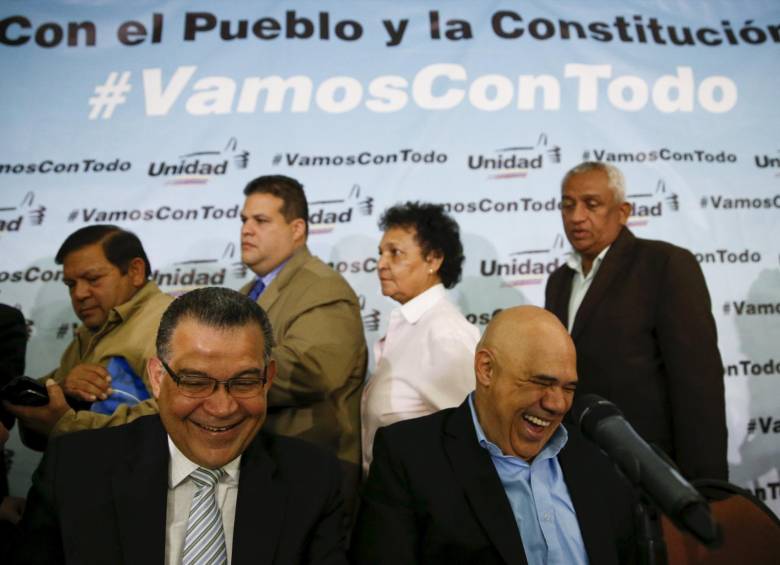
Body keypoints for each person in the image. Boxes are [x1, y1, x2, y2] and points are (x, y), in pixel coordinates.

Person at [15, 287, 347, 565]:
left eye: (245, 382)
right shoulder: (77, 471)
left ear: (268, 379)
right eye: (195, 382)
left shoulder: (314, 481)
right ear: (157, 379)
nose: (222, 408)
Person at [351, 306, 636, 564]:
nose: (557, 403)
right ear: (486, 369)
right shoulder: (411, 456)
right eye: (540, 382)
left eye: (568, 388)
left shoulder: (595, 458)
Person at [545, 161, 727, 480]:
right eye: (567, 204)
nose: (576, 216)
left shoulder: (664, 265)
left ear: (623, 211)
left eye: (592, 204)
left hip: (652, 471)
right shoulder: (558, 281)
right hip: (578, 467)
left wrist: (706, 486)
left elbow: (698, 386)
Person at [239, 175, 367, 507]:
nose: (246, 229)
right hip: (263, 467)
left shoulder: (323, 287)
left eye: (261, 220)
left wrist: (222, 371)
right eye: (244, 220)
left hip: (309, 473)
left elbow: (313, 371)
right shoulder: (246, 293)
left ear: (297, 229)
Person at [5, 225, 173, 440]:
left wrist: (68, 425)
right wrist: (61, 391)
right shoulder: (91, 332)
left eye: (93, 279)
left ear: (135, 272)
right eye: (70, 284)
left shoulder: (166, 323)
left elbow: (174, 417)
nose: (79, 294)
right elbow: (38, 435)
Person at [361, 202, 479, 476]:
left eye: (395, 253)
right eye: (380, 253)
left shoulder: (445, 334)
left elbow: (470, 436)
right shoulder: (409, 324)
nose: (381, 264)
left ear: (433, 260)